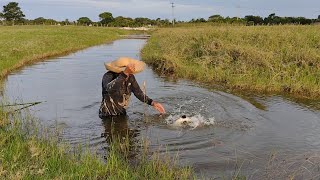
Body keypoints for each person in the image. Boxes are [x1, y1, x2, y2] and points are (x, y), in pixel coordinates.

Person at [99, 57, 165, 119]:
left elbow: (138, 93)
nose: (128, 74)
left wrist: (152, 103)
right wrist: (124, 74)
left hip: (121, 113)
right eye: (126, 71)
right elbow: (109, 89)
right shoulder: (108, 76)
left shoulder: (130, 77)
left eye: (129, 71)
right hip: (107, 115)